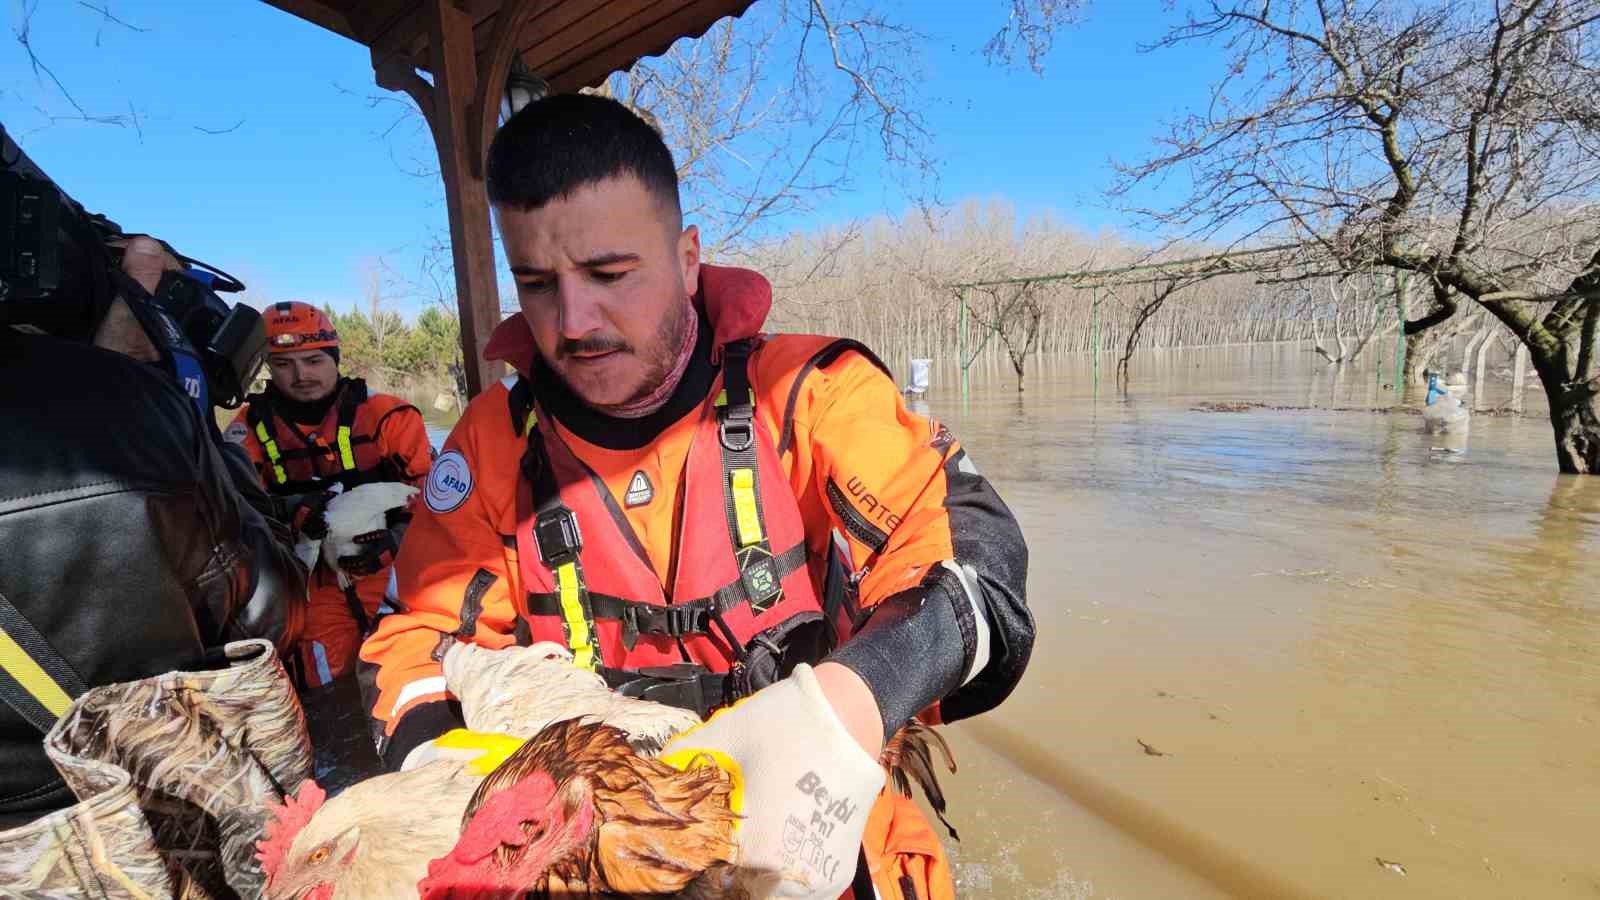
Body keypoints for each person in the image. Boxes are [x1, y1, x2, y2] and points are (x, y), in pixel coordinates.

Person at [360, 94, 1033, 899]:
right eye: (537, 284)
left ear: (687, 259)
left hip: (818, 831)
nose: (574, 321)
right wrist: (458, 778)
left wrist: (846, 705)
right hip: (597, 852)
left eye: (610, 274)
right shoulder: (489, 445)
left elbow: (975, 567)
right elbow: (416, 637)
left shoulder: (810, 395)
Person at [0, 235, 309, 830]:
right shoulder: (140, 410)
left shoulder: (383, 416)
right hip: (159, 820)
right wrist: (210, 449)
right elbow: (274, 619)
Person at [225, 302, 433, 786]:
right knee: (321, 674)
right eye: (284, 364)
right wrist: (295, 510)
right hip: (308, 569)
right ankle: (347, 769)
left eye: (314, 360)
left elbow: (438, 497)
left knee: (407, 654)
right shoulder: (245, 430)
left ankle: (411, 756)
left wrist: (396, 537)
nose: (301, 375)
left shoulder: (388, 417)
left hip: (391, 563)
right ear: (267, 369)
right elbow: (232, 510)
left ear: (335, 359)